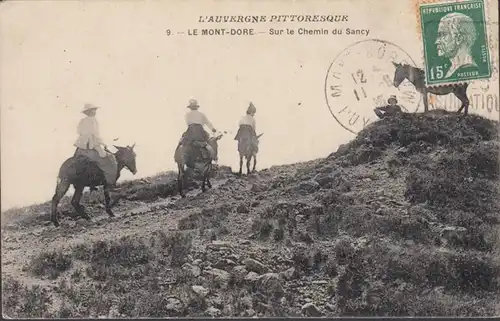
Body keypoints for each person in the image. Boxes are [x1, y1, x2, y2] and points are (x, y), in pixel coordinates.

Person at [73, 103, 118, 188]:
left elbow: (79, 131)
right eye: (93, 110)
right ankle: (110, 183)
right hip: (91, 145)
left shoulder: (82, 121)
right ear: (89, 111)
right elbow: (95, 135)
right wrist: (103, 143)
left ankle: (92, 186)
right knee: (110, 158)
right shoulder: (93, 120)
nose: (95, 111)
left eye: (95, 109)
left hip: (81, 146)